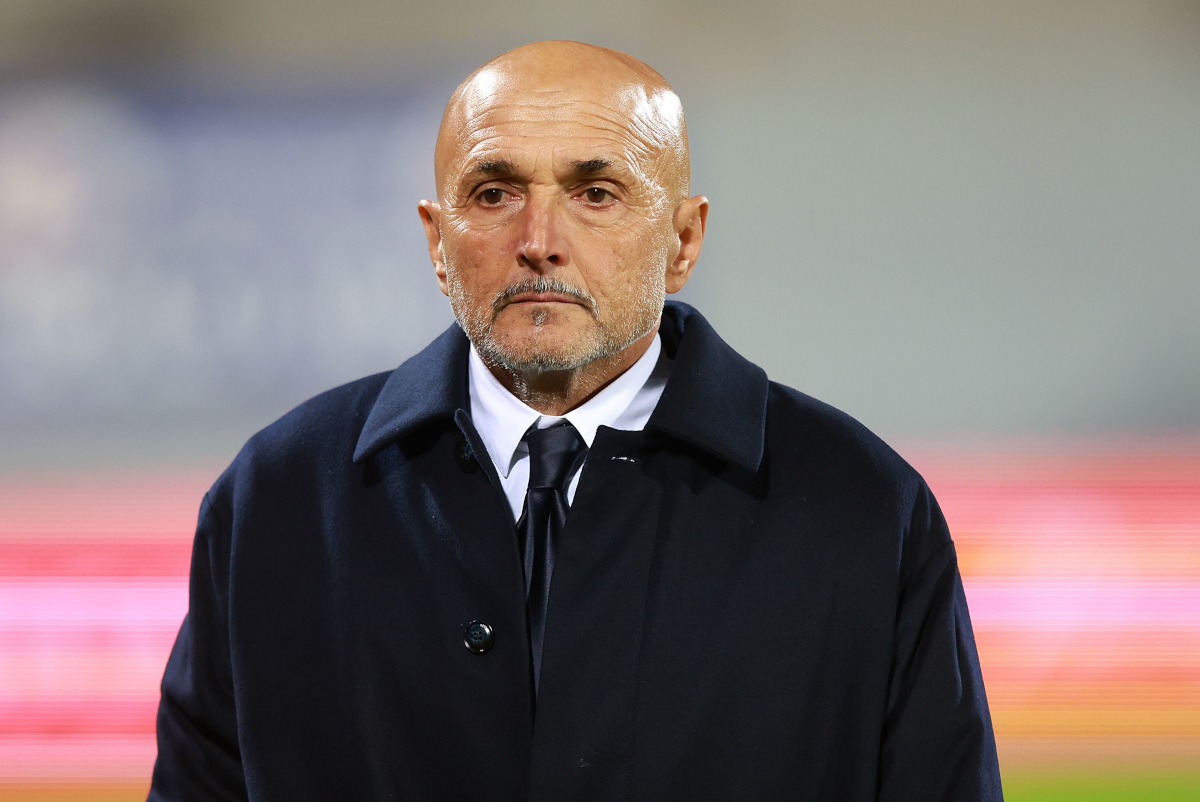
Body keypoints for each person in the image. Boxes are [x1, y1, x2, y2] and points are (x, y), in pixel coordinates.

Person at [149, 40, 1002, 801]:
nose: (540, 240)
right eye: (494, 193)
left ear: (683, 241)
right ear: (436, 242)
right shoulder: (280, 499)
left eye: (596, 192)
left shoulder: (860, 510)